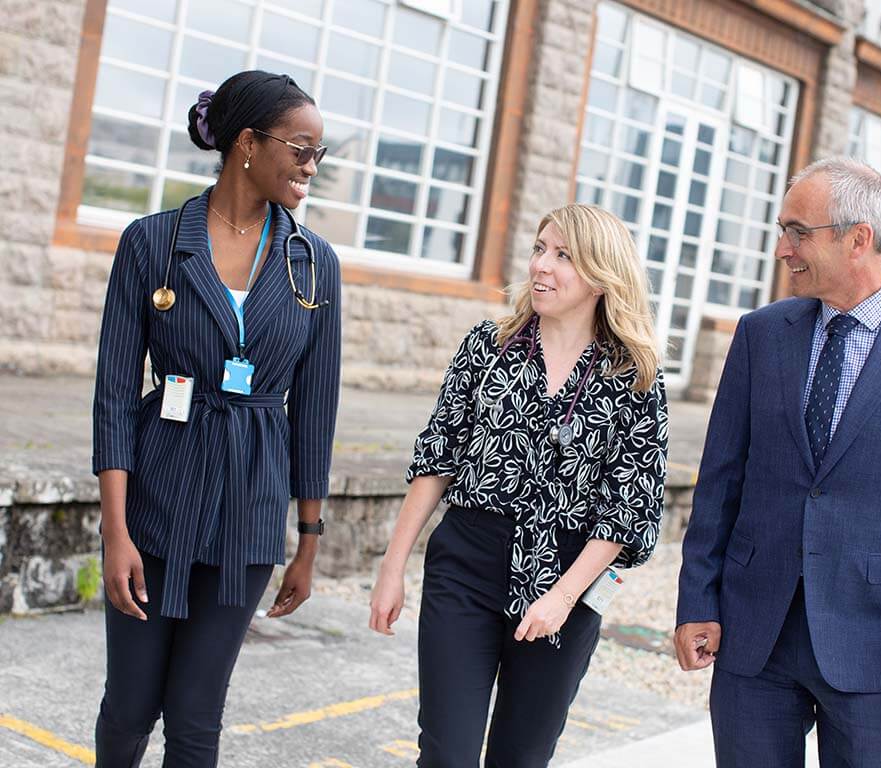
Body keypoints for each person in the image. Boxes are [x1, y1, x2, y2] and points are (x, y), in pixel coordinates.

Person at [674, 157, 881, 767]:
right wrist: (697, 600)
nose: (782, 249)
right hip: (753, 633)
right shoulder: (761, 334)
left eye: (798, 232)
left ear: (858, 239)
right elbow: (720, 481)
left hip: (876, 646)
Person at [91, 70, 341, 767]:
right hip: (155, 499)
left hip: (248, 514)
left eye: (320, 154)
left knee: (198, 719)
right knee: (130, 705)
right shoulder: (151, 243)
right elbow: (114, 396)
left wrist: (309, 539)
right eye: (300, 148)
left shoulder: (315, 265)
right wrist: (115, 532)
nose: (310, 167)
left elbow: (315, 413)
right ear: (247, 145)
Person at [369, 204, 668, 766]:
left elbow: (629, 508)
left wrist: (562, 597)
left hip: (566, 576)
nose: (541, 267)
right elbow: (437, 456)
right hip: (467, 563)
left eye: (563, 256)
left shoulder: (634, 375)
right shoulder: (487, 346)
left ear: (602, 277)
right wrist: (392, 567)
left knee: (521, 757)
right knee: (445, 753)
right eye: (539, 249)